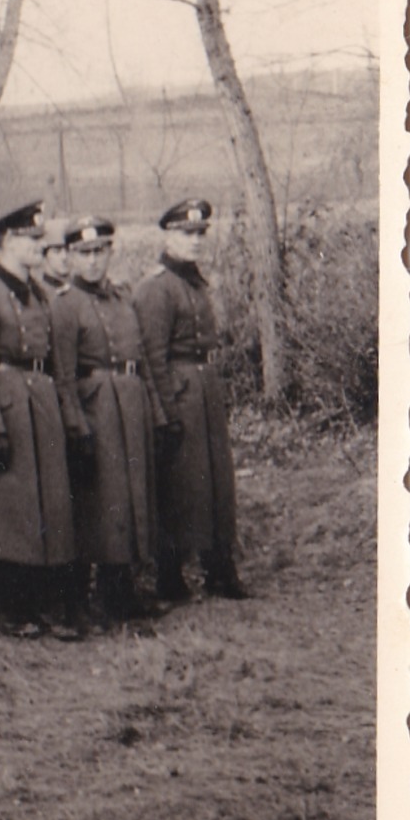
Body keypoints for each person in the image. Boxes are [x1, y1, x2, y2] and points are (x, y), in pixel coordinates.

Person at [0, 200, 78, 637]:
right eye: (28, 239)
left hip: (40, 405)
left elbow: (57, 362)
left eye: (37, 239)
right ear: (6, 241)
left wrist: (70, 420)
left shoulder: (39, 294)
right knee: (11, 508)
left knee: (47, 502)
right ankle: (11, 607)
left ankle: (44, 603)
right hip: (7, 407)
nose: (36, 246)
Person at [50, 215, 166, 626]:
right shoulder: (64, 306)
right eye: (84, 254)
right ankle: (90, 596)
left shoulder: (123, 298)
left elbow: (143, 361)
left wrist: (156, 412)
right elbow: (62, 375)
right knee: (102, 502)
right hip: (96, 409)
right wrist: (76, 426)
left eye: (100, 252)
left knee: (133, 495)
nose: (94, 262)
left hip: (130, 406)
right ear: (70, 257)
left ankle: (124, 588)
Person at [132, 197, 247, 601]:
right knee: (180, 485)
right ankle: (170, 575)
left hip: (205, 389)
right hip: (179, 392)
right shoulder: (156, 288)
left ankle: (219, 568)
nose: (195, 242)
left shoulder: (196, 283)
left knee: (216, 479)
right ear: (167, 236)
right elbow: (151, 355)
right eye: (186, 234)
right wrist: (164, 412)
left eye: (200, 234)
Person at [39, 219, 72, 294]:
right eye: (57, 251)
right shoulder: (41, 293)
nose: (64, 257)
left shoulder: (77, 287)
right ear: (44, 254)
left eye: (68, 250)